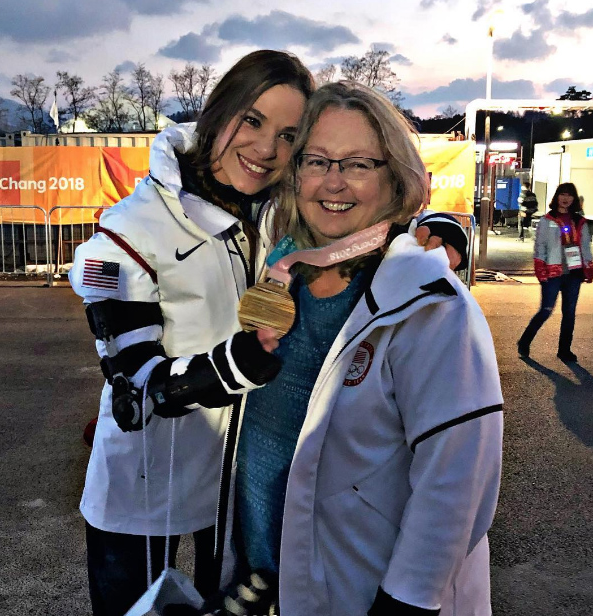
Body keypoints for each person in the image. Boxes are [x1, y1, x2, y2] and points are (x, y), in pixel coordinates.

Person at [68, 54, 466, 616]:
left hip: (234, 488)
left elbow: (355, 213)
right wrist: (237, 363)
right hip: (146, 484)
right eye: (252, 120)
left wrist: (429, 227)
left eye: (287, 135)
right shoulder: (129, 228)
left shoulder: (276, 207)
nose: (266, 149)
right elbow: (137, 382)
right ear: (219, 110)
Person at [170, 81, 503, 616]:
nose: (333, 181)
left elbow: (458, 473)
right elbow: (200, 155)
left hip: (355, 588)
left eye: (358, 164)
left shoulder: (429, 304)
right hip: (262, 578)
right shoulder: (282, 267)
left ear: (395, 177)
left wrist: (408, 601)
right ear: (295, 172)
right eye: (317, 160)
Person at [517, 183, 593, 362]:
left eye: (569, 195)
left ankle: (564, 350)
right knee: (546, 309)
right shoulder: (547, 220)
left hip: (574, 273)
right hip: (552, 272)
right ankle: (525, 341)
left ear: (574, 199)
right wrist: (540, 268)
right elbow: (540, 246)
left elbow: (585, 246)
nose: (565, 198)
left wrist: (589, 266)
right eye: (562, 194)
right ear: (557, 197)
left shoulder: (580, 221)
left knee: (569, 313)